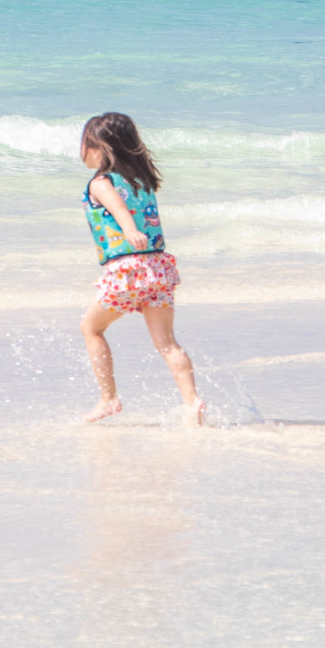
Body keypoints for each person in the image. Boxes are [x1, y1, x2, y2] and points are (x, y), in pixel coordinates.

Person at [78, 112, 205, 425]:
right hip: (157, 268)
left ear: (99, 147)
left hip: (128, 269)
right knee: (167, 343)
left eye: (84, 143)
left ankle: (108, 399)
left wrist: (129, 230)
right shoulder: (141, 181)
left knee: (91, 329)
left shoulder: (100, 182)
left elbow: (118, 208)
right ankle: (192, 401)